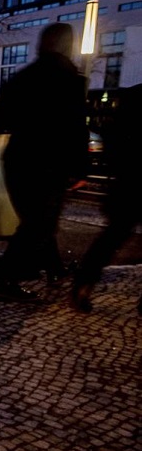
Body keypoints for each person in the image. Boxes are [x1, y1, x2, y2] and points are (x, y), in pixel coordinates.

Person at [0, 23, 87, 302]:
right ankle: (6, 280)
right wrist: (81, 167)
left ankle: (55, 268)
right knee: (38, 224)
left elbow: (0, 120)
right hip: (49, 164)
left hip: (17, 161)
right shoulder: (69, 77)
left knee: (37, 221)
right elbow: (76, 125)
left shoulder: (22, 76)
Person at [72, 83, 142, 314]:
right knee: (111, 238)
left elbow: (112, 145)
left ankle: (83, 283)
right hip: (130, 183)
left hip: (127, 184)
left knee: (110, 239)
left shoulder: (126, 108)